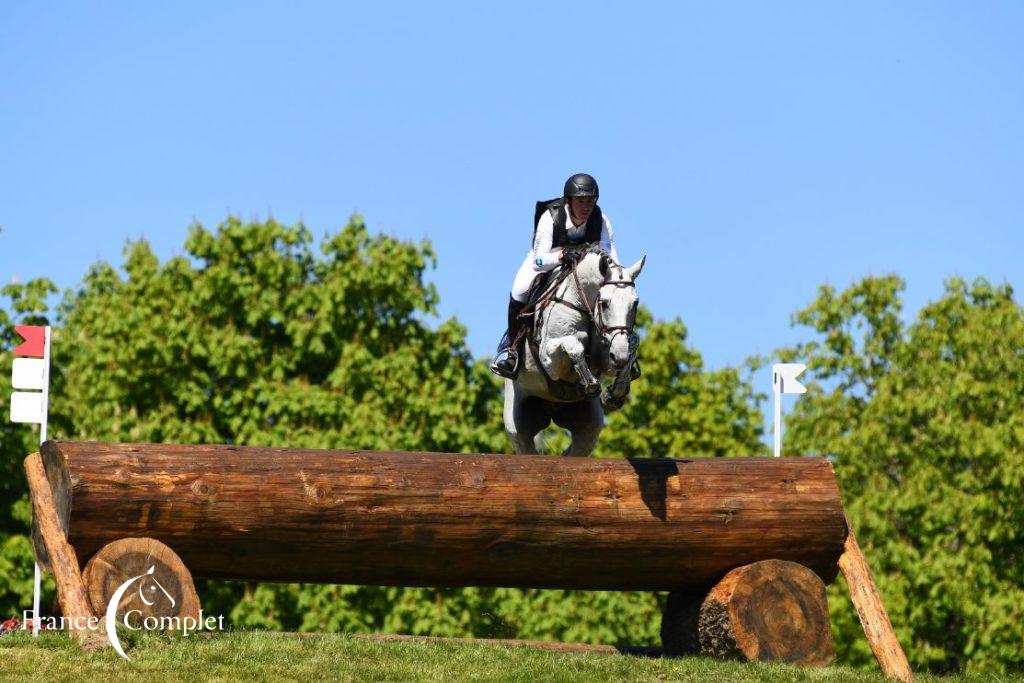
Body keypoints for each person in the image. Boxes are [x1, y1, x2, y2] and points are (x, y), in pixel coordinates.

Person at [490, 172, 620, 378]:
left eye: (590, 200)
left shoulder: (600, 219)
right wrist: (562, 255)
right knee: (520, 290)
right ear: (568, 201)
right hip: (548, 259)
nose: (586, 207)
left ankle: (616, 348)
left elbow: (610, 257)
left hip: (583, 266)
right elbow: (539, 261)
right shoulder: (551, 217)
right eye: (580, 201)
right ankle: (513, 351)